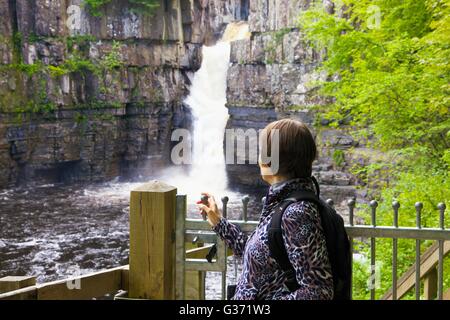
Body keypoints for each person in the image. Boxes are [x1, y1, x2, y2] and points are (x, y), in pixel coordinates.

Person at [198, 119, 333, 300]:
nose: (259, 158)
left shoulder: (296, 213)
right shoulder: (282, 202)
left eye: (263, 151)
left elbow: (318, 291)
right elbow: (261, 259)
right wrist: (219, 223)